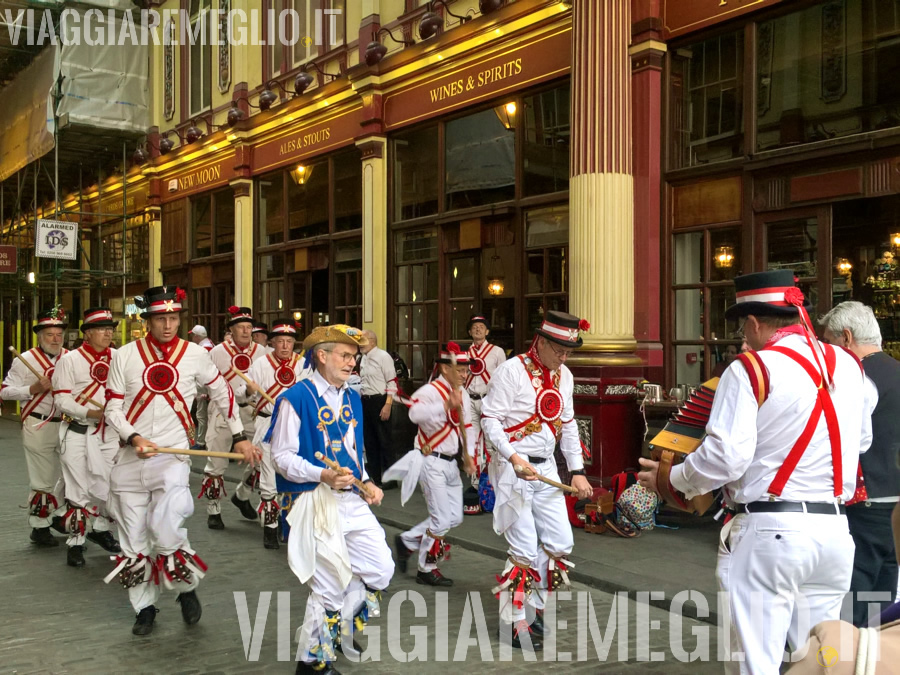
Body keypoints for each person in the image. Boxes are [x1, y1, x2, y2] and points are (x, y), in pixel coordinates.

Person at [637, 270, 875, 674]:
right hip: (835, 532)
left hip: (771, 534)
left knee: (755, 663)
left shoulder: (750, 369)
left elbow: (726, 458)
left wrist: (673, 479)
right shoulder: (848, 366)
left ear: (753, 322)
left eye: (744, 328)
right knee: (820, 663)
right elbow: (861, 442)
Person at [103, 285, 259, 636]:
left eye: (174, 318)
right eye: (161, 318)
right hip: (129, 458)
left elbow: (222, 393)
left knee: (167, 527)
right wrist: (135, 437)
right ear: (148, 321)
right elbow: (112, 408)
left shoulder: (194, 355)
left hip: (173, 456)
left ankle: (186, 587)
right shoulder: (123, 356)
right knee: (132, 538)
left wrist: (239, 436)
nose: (169, 325)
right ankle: (144, 607)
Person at [267, 324, 393, 674]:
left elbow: (354, 452)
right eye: (345, 355)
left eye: (355, 356)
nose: (352, 363)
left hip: (351, 497)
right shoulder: (296, 398)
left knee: (380, 569)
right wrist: (321, 473)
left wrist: (367, 481)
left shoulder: (352, 396)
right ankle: (311, 661)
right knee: (328, 586)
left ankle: (335, 627)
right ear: (321, 356)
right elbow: (282, 457)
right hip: (314, 499)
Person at [480, 310, 594, 651]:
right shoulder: (511, 371)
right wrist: (512, 457)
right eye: (559, 349)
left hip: (547, 471)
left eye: (569, 351)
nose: (563, 357)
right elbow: (490, 419)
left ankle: (535, 606)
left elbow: (569, 425)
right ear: (541, 342)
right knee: (525, 548)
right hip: (513, 469)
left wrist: (576, 470)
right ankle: (514, 622)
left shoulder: (566, 376)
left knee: (560, 543)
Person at [820, 300, 900, 626]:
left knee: (854, 604)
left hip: (862, 504)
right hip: (895, 506)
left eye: (828, 342)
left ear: (846, 338)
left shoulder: (854, 378)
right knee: (884, 601)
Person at [388, 343, 477, 587]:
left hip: (451, 464)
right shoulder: (429, 391)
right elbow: (414, 415)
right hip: (430, 460)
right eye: (460, 370)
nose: (464, 374)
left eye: (466, 370)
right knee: (440, 520)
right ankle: (426, 568)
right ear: (446, 369)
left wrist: (469, 455)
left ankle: (407, 541)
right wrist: (445, 406)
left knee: (454, 517)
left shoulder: (464, 394)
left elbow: (467, 426)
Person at [51, 307, 122, 567]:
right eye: (102, 328)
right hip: (78, 432)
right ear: (88, 333)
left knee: (110, 484)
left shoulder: (118, 357)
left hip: (109, 434)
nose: (108, 332)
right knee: (78, 489)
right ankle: (76, 541)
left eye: (110, 328)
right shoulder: (70, 360)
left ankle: (100, 530)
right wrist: (88, 411)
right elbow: (61, 399)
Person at [0, 307, 69, 547]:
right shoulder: (25, 360)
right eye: (50, 334)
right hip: (38, 423)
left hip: (68, 425)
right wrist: (32, 390)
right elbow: (5, 391)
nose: (55, 339)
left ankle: (59, 514)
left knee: (71, 473)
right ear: (39, 336)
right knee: (42, 478)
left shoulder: (70, 358)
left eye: (59, 334)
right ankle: (39, 527)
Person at [243, 319, 311, 550]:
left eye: (289, 341)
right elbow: (246, 397)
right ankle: (270, 529)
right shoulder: (261, 363)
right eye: (280, 341)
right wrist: (250, 391)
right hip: (267, 425)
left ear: (294, 343)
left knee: (292, 476)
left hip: (294, 428)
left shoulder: (303, 364)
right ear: (272, 342)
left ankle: (288, 527)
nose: (284, 346)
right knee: (269, 478)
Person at [200, 306, 267, 529]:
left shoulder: (262, 352)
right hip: (222, 410)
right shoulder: (217, 352)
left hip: (250, 410)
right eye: (241, 327)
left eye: (249, 327)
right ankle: (213, 510)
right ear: (232, 329)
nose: (246, 331)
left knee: (260, 457)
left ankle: (242, 494)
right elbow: (204, 381)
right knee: (217, 460)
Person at [465, 314, 507, 474]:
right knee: (473, 440)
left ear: (487, 331)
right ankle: (477, 482)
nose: (477, 329)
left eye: (481, 327)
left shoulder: (497, 352)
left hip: (489, 400)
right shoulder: (465, 354)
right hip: (470, 399)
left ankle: (494, 479)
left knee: (491, 440)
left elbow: (504, 378)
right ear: (469, 332)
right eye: (474, 327)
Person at [358, 330, 398, 486]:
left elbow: (392, 382)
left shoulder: (383, 357)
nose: (360, 344)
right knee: (369, 440)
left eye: (363, 340)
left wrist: (388, 404)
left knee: (385, 440)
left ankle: (391, 478)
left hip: (380, 400)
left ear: (372, 341)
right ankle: (375, 476)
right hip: (366, 400)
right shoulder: (362, 358)